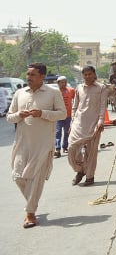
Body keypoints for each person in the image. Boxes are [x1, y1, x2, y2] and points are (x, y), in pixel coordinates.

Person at [8, 63, 66, 229]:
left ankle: (30, 213)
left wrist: (43, 113)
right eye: (27, 74)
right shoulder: (20, 93)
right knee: (18, 176)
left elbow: (63, 114)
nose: (28, 77)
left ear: (42, 76)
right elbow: (9, 117)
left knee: (35, 179)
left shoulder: (53, 92)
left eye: (32, 74)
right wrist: (19, 115)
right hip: (22, 143)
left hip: (43, 144)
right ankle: (32, 203)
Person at [68, 66, 111, 187]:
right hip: (79, 122)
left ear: (94, 74)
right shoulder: (79, 88)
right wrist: (72, 121)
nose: (87, 77)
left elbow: (103, 106)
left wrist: (101, 121)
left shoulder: (101, 88)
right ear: (83, 76)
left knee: (91, 152)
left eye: (89, 74)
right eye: (85, 75)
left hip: (94, 123)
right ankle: (80, 170)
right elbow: (75, 106)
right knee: (71, 147)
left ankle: (90, 176)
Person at [54, 76, 75, 158]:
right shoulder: (55, 92)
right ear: (58, 83)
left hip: (68, 115)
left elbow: (77, 100)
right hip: (58, 115)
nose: (64, 84)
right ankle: (57, 149)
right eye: (62, 82)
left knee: (67, 132)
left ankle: (65, 147)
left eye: (65, 82)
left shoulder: (71, 90)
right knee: (58, 132)